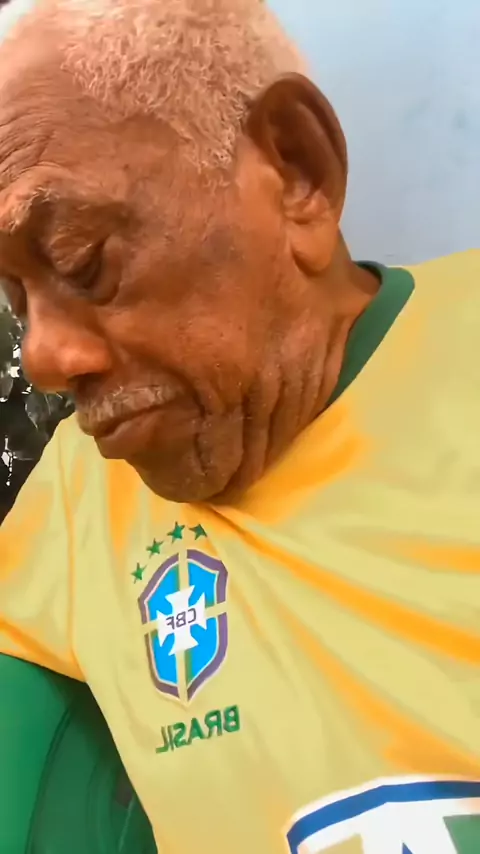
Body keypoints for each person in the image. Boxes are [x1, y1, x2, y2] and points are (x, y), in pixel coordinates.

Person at [0, 0, 479, 852]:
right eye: (13, 298)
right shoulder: (74, 500)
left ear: (296, 173)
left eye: (83, 259)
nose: (42, 357)